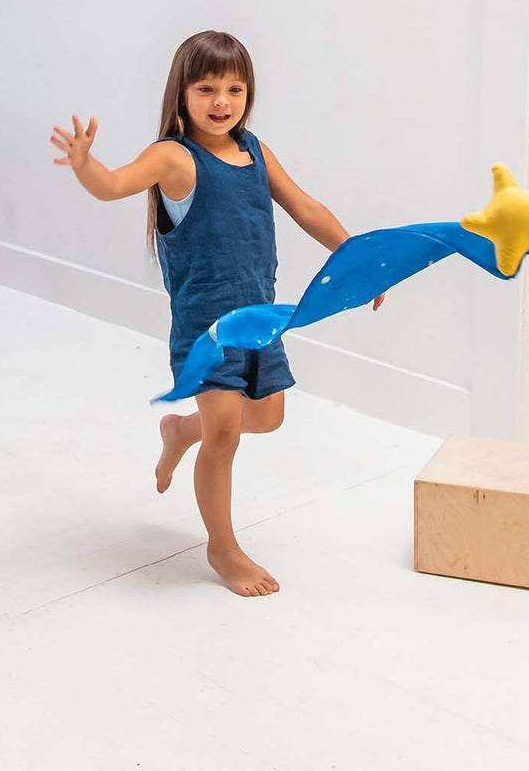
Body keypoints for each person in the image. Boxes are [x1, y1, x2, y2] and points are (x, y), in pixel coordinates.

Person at [50, 30, 384, 597]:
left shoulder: (255, 151)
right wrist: (86, 164)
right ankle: (222, 547)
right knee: (225, 436)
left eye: (234, 89)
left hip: (261, 319)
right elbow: (112, 185)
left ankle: (182, 429)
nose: (221, 101)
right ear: (181, 93)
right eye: (206, 88)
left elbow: (304, 206)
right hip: (205, 327)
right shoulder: (173, 156)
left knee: (268, 417)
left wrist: (357, 259)